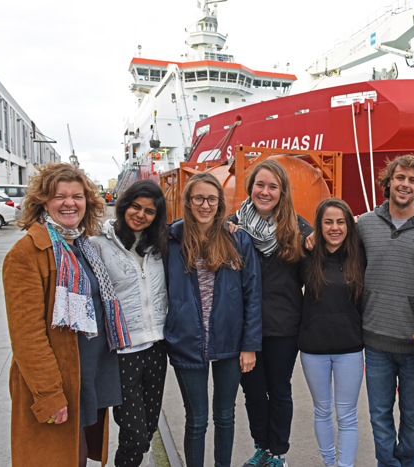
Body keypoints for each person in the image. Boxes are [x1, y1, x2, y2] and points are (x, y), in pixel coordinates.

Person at [2, 163, 130, 467]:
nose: (70, 203)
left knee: (77, 452)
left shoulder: (82, 246)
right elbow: (26, 337)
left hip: (87, 376)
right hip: (58, 380)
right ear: (43, 202)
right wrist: (49, 394)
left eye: (77, 196)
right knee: (58, 457)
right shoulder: (26, 254)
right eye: (60, 196)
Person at [164, 172, 261, 467]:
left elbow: (252, 295)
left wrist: (249, 344)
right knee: (197, 419)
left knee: (225, 416)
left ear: (220, 203)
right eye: (198, 199)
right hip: (187, 341)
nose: (205, 205)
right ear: (188, 202)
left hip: (229, 341)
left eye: (211, 199)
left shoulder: (237, 238)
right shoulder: (172, 239)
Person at [356, 155, 414, 467]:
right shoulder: (365, 224)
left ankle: (408, 461)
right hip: (375, 340)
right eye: (400, 177)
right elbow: (335, 247)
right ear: (388, 182)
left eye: (412, 180)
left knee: (412, 419)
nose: (405, 184)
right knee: (379, 417)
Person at [230, 159, 312, 467]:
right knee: (252, 392)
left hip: (282, 327)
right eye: (260, 185)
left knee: (279, 390)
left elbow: (316, 273)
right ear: (250, 187)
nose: (265, 192)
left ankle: (278, 452)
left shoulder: (299, 228)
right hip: (243, 328)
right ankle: (261, 446)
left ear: (283, 192)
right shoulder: (232, 226)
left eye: (272, 187)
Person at [89, 180, 169, 467]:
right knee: (133, 432)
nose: (141, 215)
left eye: (149, 211)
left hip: (157, 348)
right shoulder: (98, 244)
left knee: (147, 428)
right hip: (122, 352)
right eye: (136, 206)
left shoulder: (159, 245)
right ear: (124, 205)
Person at [298, 198, 366, 467]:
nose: (335, 227)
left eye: (341, 221)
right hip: (313, 348)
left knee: (347, 414)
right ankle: (329, 462)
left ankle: (344, 465)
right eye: (328, 222)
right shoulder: (306, 255)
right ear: (319, 225)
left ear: (349, 225)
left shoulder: (360, 254)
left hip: (349, 348)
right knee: (322, 410)